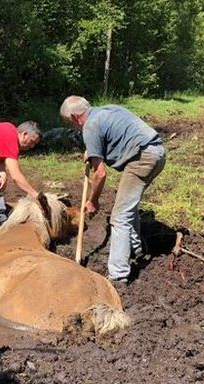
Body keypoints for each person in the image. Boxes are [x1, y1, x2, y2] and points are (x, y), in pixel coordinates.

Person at [60, 96, 166, 284]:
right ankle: (136, 248)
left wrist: (93, 200)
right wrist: (92, 152)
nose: (74, 129)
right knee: (128, 204)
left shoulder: (90, 126)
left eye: (71, 124)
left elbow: (100, 174)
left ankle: (118, 275)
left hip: (142, 158)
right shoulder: (108, 110)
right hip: (157, 153)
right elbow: (111, 135)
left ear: (75, 117)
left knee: (119, 216)